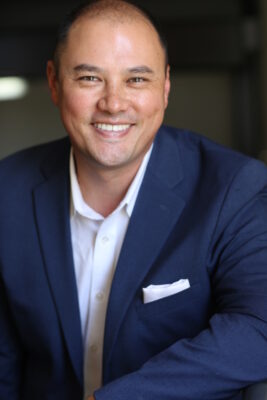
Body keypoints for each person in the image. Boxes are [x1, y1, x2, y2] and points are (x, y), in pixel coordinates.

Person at [1, 0, 267, 399]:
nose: (113, 102)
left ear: (165, 87)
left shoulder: (234, 188)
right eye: (90, 77)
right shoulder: (7, 192)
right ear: (55, 83)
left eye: (137, 80)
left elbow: (259, 327)